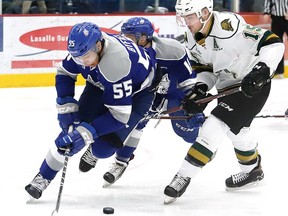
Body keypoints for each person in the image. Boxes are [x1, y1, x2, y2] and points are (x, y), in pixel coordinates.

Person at [163, 0, 285, 204]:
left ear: (204, 12)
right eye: (183, 17)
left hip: (252, 85)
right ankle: (252, 170)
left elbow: (273, 43)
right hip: (226, 86)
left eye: (190, 16)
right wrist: (200, 88)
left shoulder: (229, 25)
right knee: (237, 129)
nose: (186, 22)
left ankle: (183, 175)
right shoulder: (191, 39)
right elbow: (206, 70)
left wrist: (261, 69)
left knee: (215, 124)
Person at [25, 22, 157, 199]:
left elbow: (119, 116)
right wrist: (65, 106)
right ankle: (43, 176)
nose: (82, 63)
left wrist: (85, 134)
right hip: (101, 84)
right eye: (77, 58)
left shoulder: (117, 62)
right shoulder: (82, 50)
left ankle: (112, 151)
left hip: (137, 94)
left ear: (99, 45)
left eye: (85, 57)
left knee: (102, 150)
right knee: (69, 132)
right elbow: (64, 72)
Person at [78, 17, 206, 188]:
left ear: (144, 37)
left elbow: (188, 81)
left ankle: (207, 141)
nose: (125, 40)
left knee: (187, 130)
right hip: (145, 92)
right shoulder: (125, 53)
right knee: (132, 121)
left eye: (130, 36)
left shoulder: (172, 51)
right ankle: (120, 161)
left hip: (172, 93)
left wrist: (192, 99)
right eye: (124, 35)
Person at [263, 0, 288, 78]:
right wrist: (267, 12)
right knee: (278, 44)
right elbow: (268, 1)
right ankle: (279, 71)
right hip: (276, 18)